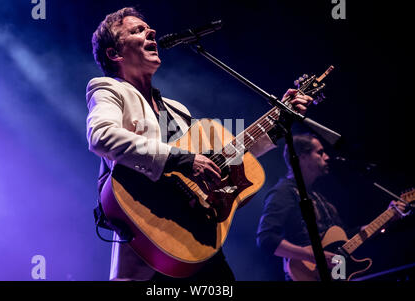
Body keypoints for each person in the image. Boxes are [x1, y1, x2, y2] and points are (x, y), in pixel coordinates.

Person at [86, 7, 313, 281]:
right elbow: (101, 135)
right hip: (152, 248)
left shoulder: (175, 109)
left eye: (149, 28)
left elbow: (223, 158)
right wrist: (184, 159)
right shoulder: (110, 89)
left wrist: (278, 124)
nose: (151, 32)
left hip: (197, 237)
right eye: (137, 30)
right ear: (115, 54)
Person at [256, 133, 407, 280]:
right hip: (307, 274)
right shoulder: (283, 192)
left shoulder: (317, 196)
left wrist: (386, 218)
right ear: (302, 158)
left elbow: (345, 237)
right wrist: (314, 256)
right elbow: (266, 238)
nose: (327, 157)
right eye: (320, 153)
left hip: (336, 273)